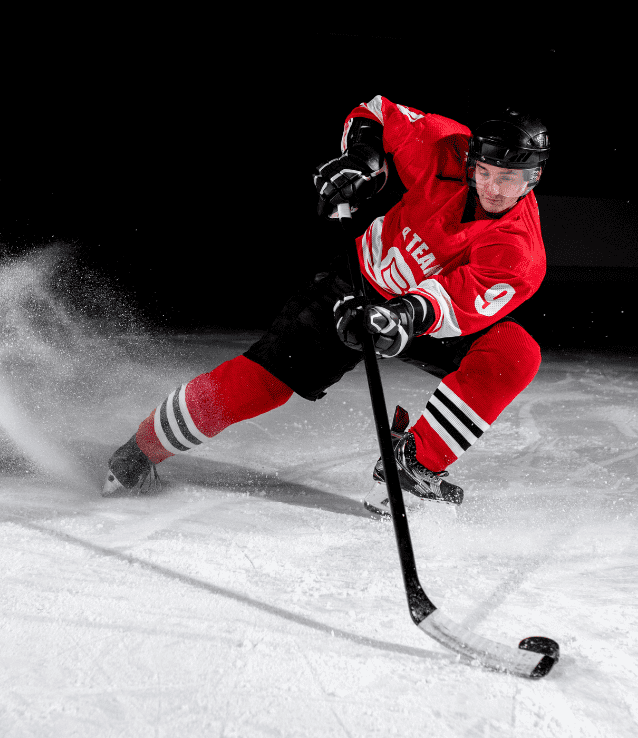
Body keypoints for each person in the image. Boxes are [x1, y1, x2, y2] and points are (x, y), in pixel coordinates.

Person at [101, 95, 550, 515]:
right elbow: (375, 111)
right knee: (260, 384)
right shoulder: (446, 149)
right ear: (472, 161)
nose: (491, 187)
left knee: (513, 353)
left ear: (534, 178)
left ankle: (413, 466)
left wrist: (402, 316)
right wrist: (364, 159)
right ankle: (138, 451)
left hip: (417, 318)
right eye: (485, 172)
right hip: (352, 288)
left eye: (507, 179)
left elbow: (459, 301)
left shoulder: (520, 250)